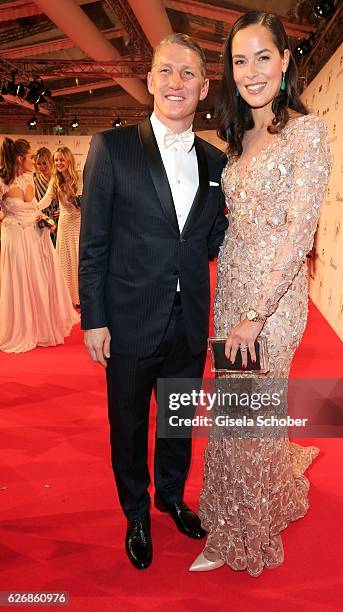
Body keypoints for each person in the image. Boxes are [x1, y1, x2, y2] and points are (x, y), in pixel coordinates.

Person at [79, 33, 228, 571]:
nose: (176, 82)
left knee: (177, 418)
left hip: (188, 321)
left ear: (205, 88)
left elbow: (210, 238)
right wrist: (93, 318)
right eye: (167, 71)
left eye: (188, 74)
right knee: (128, 422)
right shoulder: (111, 147)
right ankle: (136, 511)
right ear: (149, 80)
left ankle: (171, 495)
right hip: (129, 319)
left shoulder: (217, 161)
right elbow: (92, 240)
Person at [191, 11, 331, 576]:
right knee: (235, 411)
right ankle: (228, 514)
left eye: (262, 57)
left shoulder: (307, 132)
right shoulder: (236, 138)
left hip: (272, 301)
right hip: (231, 287)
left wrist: (255, 314)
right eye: (239, 60)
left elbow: (299, 233)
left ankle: (241, 534)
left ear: (285, 60)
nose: (251, 72)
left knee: (251, 412)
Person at [0, 138, 79, 353]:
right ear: (20, 158)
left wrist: (44, 220)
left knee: (38, 282)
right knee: (20, 283)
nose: (34, 161)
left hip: (36, 238)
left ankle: (40, 328)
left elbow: (35, 208)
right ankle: (21, 328)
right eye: (31, 157)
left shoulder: (29, 179)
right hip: (15, 238)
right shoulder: (2, 182)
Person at [39, 147, 81, 305]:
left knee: (78, 260)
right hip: (63, 224)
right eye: (56, 160)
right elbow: (45, 201)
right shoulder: (54, 180)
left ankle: (81, 297)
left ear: (69, 160)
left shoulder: (79, 178)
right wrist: (29, 208)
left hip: (78, 224)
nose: (58, 163)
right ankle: (67, 298)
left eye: (61, 159)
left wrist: (78, 201)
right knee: (64, 261)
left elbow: (84, 204)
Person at [33, 147, 59, 247]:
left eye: (44, 163)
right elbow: (34, 201)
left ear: (50, 162)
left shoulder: (58, 177)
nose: (42, 167)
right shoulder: (34, 179)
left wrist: (64, 209)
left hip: (59, 219)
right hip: (44, 221)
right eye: (39, 164)